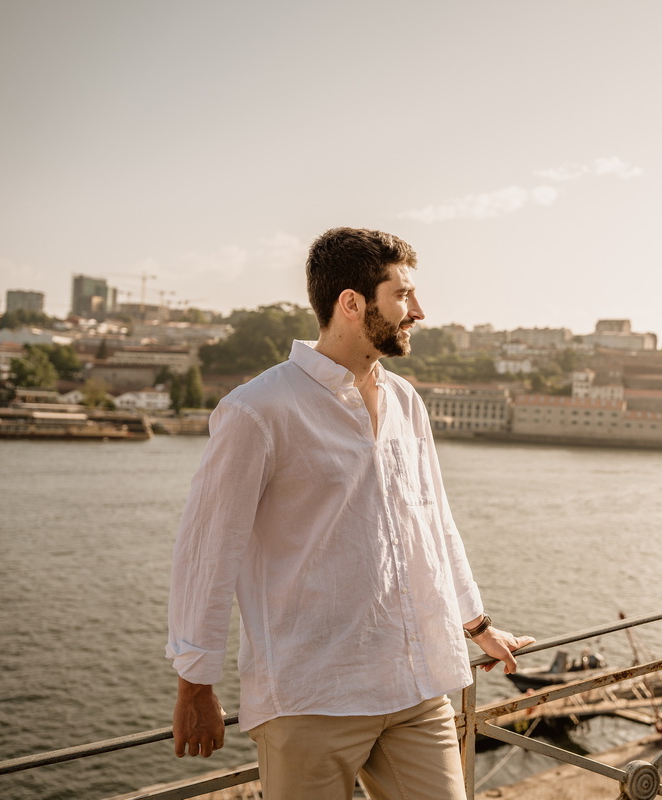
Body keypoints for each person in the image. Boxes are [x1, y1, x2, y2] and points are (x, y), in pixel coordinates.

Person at [166, 227, 534, 800]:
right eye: (403, 295)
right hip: (313, 697)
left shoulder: (406, 400)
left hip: (416, 684)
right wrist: (195, 683)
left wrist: (477, 625)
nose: (419, 311)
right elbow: (207, 551)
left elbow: (433, 523)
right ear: (352, 303)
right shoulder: (257, 410)